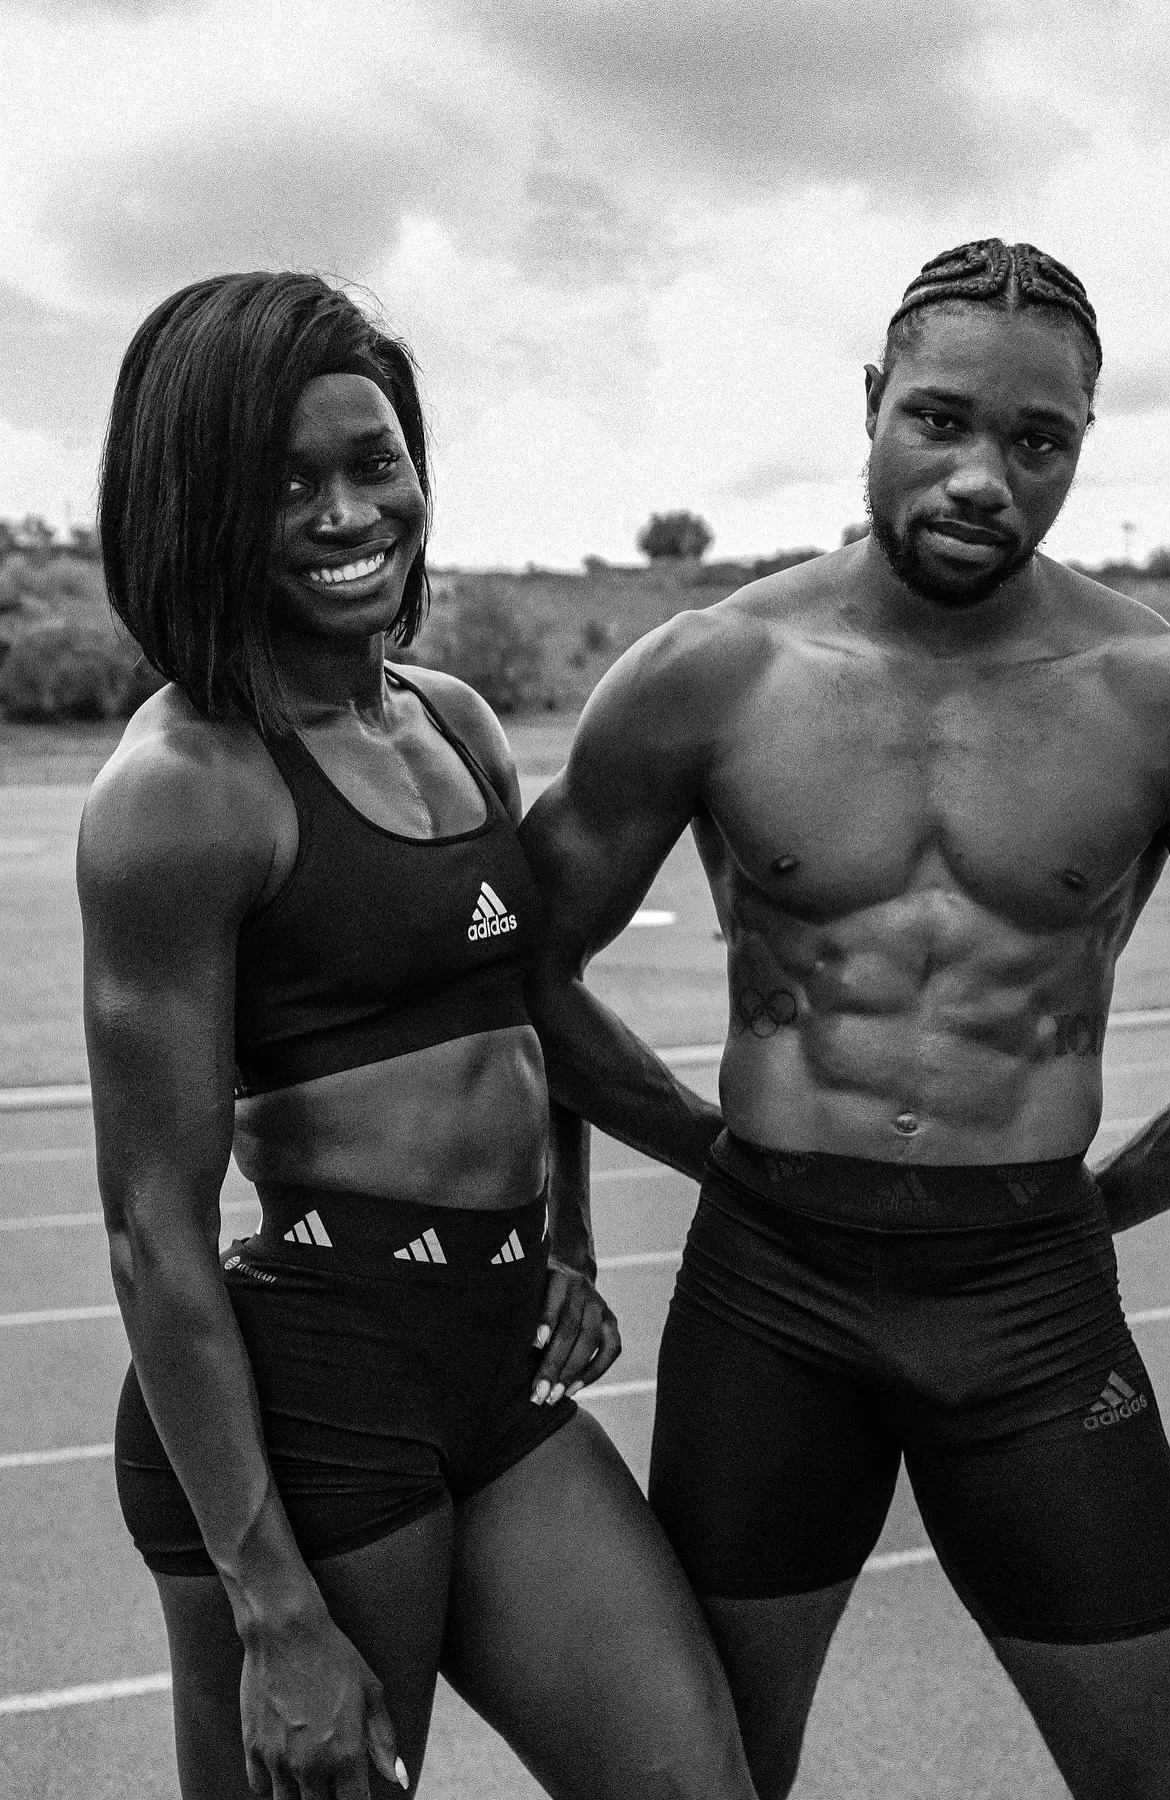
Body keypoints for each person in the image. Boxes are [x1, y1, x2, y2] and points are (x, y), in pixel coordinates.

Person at [520, 238, 1170, 1800]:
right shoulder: (709, 673)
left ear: (1081, 448)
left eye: (1037, 441)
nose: (985, 475)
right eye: (941, 421)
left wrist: (1100, 1205)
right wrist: (671, 1169)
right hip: (768, 1292)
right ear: (873, 404)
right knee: (714, 1785)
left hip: (1031, 1300)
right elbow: (524, 963)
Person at [79, 272, 756, 1800]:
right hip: (318, 1387)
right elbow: (149, 1229)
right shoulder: (182, 791)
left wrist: (572, 1235)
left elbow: (525, 1009)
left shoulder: (450, 717)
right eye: (288, 482)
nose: (345, 512)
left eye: (372, 461)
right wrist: (274, 1604)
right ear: (197, 506)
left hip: (495, 1370)